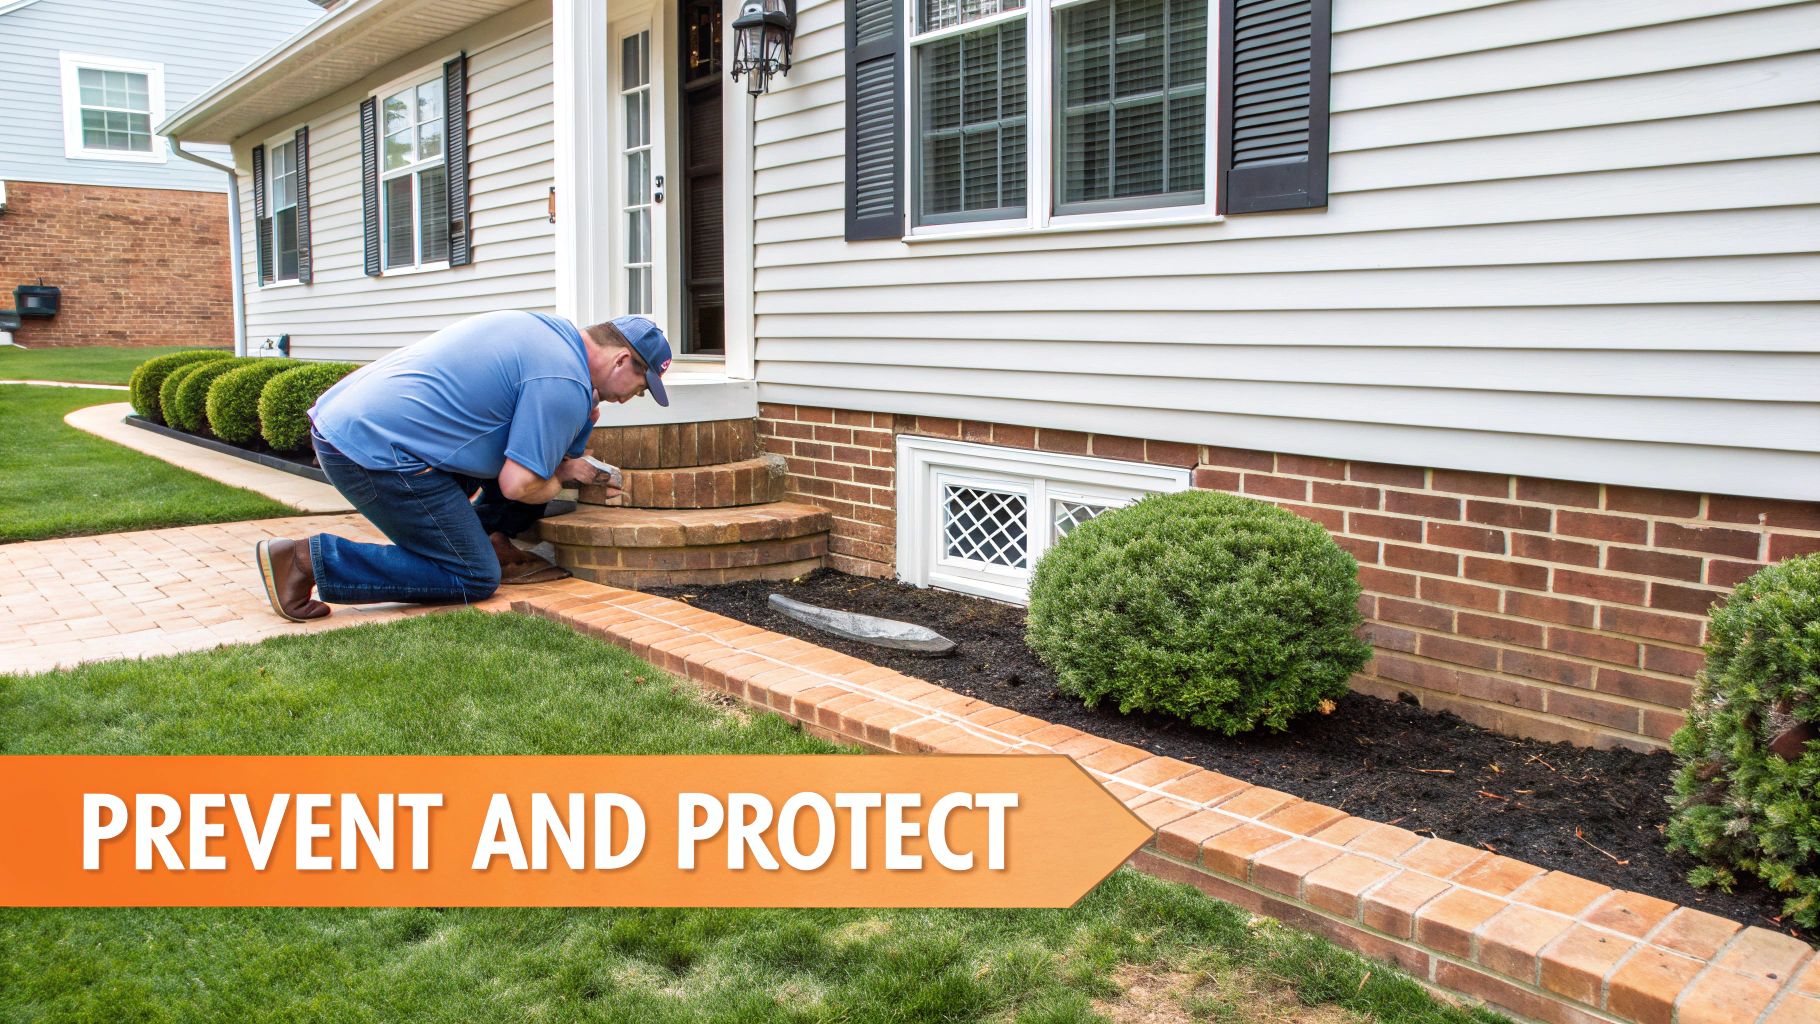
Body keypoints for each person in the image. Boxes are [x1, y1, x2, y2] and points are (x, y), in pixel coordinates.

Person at [254, 310, 673, 621]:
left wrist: (577, 427)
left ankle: (489, 536)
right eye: (643, 385)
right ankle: (306, 560)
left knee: (535, 460)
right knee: (473, 576)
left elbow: (535, 439)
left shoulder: (550, 334)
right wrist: (562, 475)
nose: (636, 396)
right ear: (620, 361)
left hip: (365, 424)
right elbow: (519, 485)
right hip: (375, 451)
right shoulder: (564, 382)